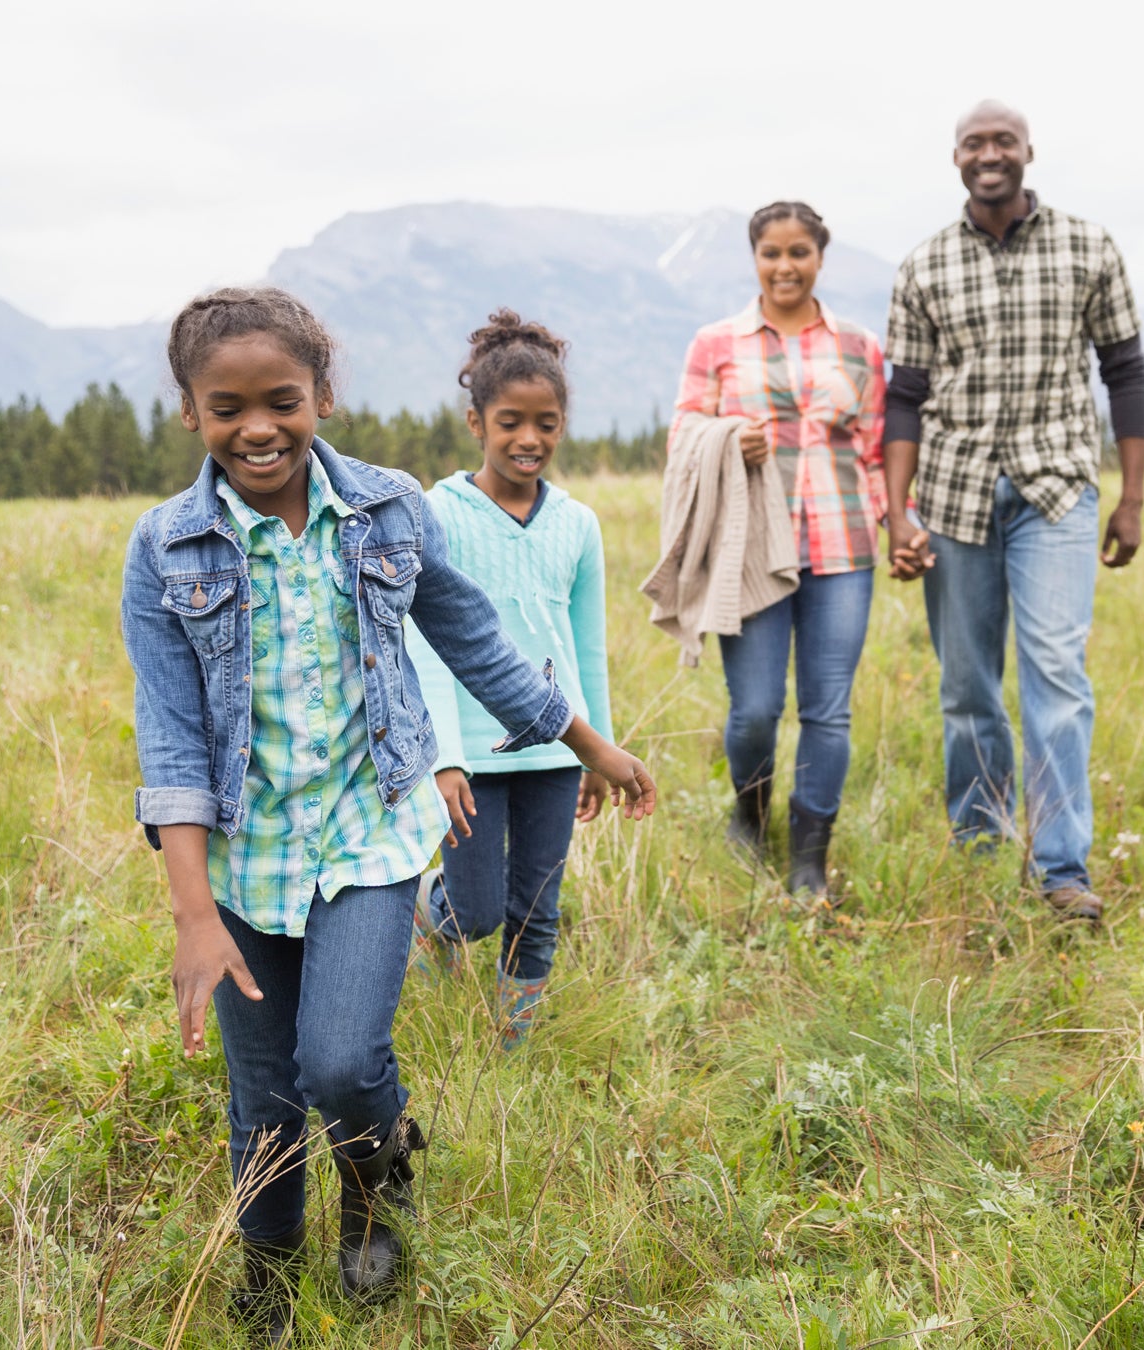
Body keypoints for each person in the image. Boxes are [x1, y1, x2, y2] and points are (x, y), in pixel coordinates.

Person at [118, 287, 656, 1339]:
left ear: (321, 393)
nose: (258, 427)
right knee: (263, 1101)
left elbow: (477, 641)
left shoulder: (388, 509)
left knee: (341, 1064)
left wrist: (587, 740)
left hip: (370, 835)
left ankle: (374, 1188)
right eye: (228, 407)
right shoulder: (166, 548)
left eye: (283, 398)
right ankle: (268, 1278)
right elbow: (172, 738)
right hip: (242, 862)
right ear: (190, 411)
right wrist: (192, 911)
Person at [881, 101, 1144, 924]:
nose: (989, 153)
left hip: (1057, 492)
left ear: (1028, 152)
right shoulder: (924, 264)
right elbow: (903, 398)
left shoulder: (1088, 246)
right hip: (955, 496)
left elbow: (1126, 373)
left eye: (1003, 141)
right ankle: (982, 850)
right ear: (955, 158)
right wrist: (897, 514)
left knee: (1057, 679)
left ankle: (1062, 873)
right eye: (974, 143)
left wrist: (1133, 498)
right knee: (967, 690)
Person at [407, 311, 614, 1051]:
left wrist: (598, 750)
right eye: (510, 422)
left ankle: (510, 1049)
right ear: (476, 422)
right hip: (473, 756)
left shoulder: (578, 524)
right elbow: (422, 639)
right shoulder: (438, 515)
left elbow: (588, 648)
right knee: (479, 907)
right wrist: (444, 755)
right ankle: (425, 917)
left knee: (538, 908)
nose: (529, 439)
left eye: (547, 424)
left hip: (557, 753)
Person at [672, 201, 887, 900]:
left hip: (840, 543)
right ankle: (750, 810)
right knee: (756, 708)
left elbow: (876, 448)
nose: (785, 266)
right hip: (751, 549)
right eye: (771, 253)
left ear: (819, 256)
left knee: (828, 709)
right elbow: (684, 439)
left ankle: (808, 860)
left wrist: (896, 524)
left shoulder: (858, 346)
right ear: (754, 258)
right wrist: (731, 434)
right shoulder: (718, 343)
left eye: (799, 252)